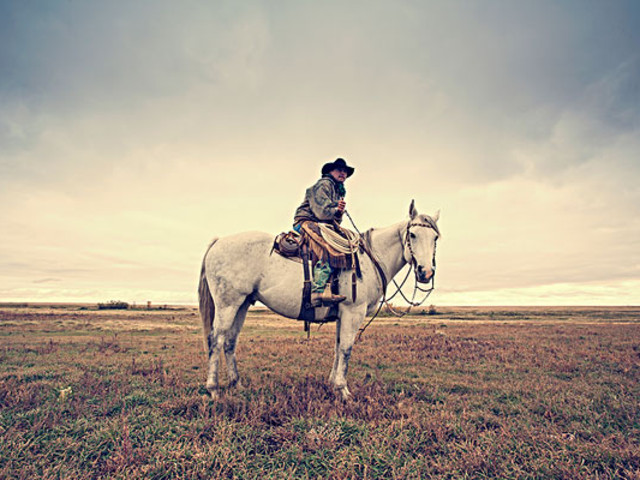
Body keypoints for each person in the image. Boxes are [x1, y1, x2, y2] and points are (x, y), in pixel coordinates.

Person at [293, 158, 355, 306]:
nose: (343, 173)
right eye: (339, 170)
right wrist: (336, 210)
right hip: (306, 222)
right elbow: (322, 213)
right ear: (330, 171)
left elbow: (333, 218)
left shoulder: (337, 190)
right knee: (329, 247)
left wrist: (338, 213)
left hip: (320, 224)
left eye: (345, 171)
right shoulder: (324, 185)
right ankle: (317, 291)